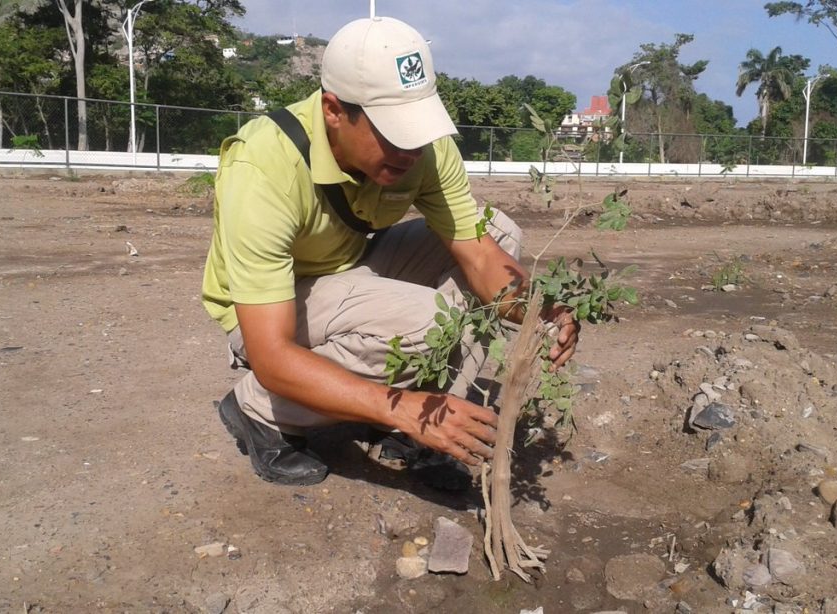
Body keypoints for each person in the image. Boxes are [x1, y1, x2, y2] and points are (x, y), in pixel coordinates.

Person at [201, 16, 578, 488]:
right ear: (334, 111)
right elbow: (271, 350)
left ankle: (430, 417)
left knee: (497, 234)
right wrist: (400, 410)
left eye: (418, 129)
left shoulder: (422, 150)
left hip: (351, 270)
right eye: (393, 133)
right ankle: (257, 408)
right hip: (265, 312)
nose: (411, 151)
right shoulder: (264, 166)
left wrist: (542, 313)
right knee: (424, 321)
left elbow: (482, 258)